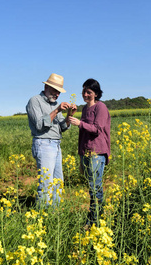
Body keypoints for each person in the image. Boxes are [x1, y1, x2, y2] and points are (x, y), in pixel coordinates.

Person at [26, 73, 77, 207]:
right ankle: (42, 215)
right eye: (55, 90)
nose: (57, 95)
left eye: (59, 92)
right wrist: (57, 109)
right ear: (47, 86)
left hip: (56, 144)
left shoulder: (55, 104)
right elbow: (39, 125)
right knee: (46, 183)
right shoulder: (35, 101)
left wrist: (69, 115)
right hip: (43, 143)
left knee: (58, 182)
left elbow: (63, 127)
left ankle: (54, 214)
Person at [68, 78, 111, 228]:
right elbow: (83, 134)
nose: (85, 94)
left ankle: (94, 221)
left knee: (95, 187)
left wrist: (79, 123)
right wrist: (80, 156)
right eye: (84, 91)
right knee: (92, 187)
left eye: (89, 92)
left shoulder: (101, 108)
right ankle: (97, 218)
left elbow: (97, 129)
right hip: (86, 153)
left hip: (97, 152)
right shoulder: (85, 109)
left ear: (96, 94)